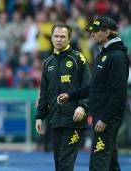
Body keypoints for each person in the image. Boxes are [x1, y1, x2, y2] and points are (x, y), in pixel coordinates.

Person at [57, 16, 129, 171]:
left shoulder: (116, 56)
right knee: (110, 163)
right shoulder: (104, 54)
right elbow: (94, 87)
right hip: (100, 115)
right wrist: (71, 95)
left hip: (106, 118)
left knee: (98, 162)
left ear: (107, 32)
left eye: (96, 31)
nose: (92, 34)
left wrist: (104, 118)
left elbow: (119, 93)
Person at [35, 23, 91, 171]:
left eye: (62, 37)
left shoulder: (78, 58)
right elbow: (44, 92)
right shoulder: (48, 63)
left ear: (69, 39)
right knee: (59, 163)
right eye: (56, 36)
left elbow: (88, 86)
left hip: (74, 120)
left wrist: (82, 106)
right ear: (52, 38)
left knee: (65, 163)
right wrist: (40, 116)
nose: (59, 39)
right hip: (55, 120)